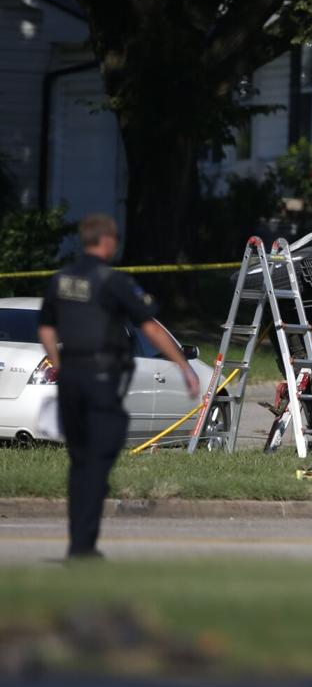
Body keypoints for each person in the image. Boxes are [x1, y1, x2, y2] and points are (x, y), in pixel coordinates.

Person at [38, 214, 199, 560]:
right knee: (99, 459)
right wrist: (184, 366)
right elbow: (150, 327)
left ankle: (79, 541)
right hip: (101, 380)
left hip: (71, 379)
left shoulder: (61, 280)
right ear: (107, 241)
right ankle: (83, 546)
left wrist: (58, 363)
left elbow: (47, 328)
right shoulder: (112, 282)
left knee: (80, 461)